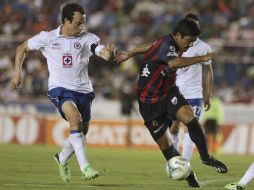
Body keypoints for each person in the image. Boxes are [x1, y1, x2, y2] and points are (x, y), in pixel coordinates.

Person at [11, 3, 116, 182]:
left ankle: (61, 158)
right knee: (75, 119)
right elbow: (21, 48)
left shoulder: (87, 38)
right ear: (66, 21)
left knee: (82, 130)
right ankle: (85, 168)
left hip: (84, 90)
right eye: (77, 23)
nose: (81, 27)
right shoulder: (47, 37)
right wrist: (17, 73)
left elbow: (100, 51)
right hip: (59, 88)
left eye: (83, 23)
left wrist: (109, 53)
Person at [117, 18, 228, 188]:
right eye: (188, 41)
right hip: (149, 102)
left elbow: (150, 45)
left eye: (192, 42)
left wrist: (130, 53)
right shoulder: (167, 46)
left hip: (168, 92)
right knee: (166, 145)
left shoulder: (165, 41)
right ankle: (190, 176)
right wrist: (203, 57)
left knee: (190, 118)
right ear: (177, 35)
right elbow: (174, 62)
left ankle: (205, 157)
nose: (189, 45)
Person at [168, 13, 214, 161]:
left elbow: (208, 70)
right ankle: (174, 157)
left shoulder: (204, 47)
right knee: (173, 127)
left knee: (191, 128)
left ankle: (184, 163)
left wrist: (207, 93)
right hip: (176, 92)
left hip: (194, 94)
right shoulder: (175, 44)